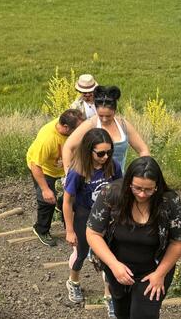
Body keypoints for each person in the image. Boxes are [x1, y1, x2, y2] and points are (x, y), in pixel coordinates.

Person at [86, 156, 181, 319]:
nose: (142, 194)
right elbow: (93, 233)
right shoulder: (111, 193)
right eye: (137, 188)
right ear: (128, 183)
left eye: (149, 189)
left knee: (143, 315)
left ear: (157, 186)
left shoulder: (169, 200)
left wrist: (160, 274)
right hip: (118, 268)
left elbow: (179, 242)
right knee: (123, 313)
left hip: (153, 270)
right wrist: (114, 265)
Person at [63, 128, 122, 315]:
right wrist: (70, 230)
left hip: (107, 215)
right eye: (101, 153)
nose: (106, 156)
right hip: (84, 214)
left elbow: (120, 189)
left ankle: (109, 297)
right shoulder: (77, 172)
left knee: (109, 255)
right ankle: (73, 281)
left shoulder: (112, 166)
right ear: (89, 150)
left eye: (109, 152)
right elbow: (67, 201)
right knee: (81, 253)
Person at [27, 109, 84, 246]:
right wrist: (45, 189)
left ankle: (62, 207)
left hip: (65, 168)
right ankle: (41, 229)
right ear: (65, 127)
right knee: (46, 200)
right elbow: (36, 165)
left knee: (72, 195)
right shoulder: (47, 139)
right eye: (78, 128)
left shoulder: (72, 130)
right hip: (44, 170)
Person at [63, 85, 150, 173]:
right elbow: (68, 147)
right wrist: (68, 174)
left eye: (108, 116)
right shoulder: (90, 125)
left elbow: (143, 149)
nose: (104, 119)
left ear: (115, 110)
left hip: (118, 180)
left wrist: (144, 171)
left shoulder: (123, 125)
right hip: (93, 181)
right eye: (100, 115)